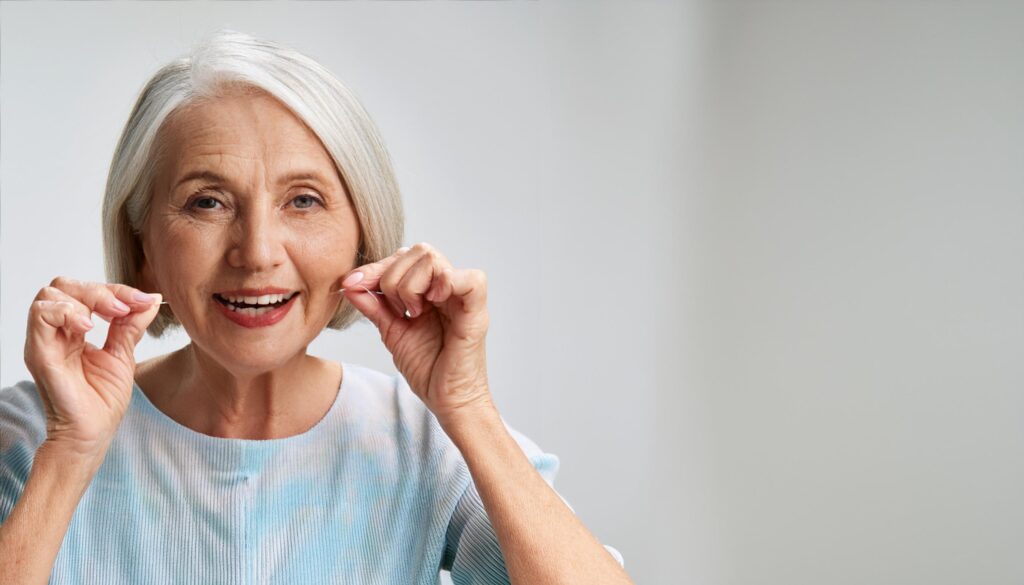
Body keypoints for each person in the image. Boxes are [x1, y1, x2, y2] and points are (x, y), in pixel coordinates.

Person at [0, 30, 630, 584]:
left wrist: (467, 410)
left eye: (303, 201)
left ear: (361, 237)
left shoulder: (422, 444)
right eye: (207, 202)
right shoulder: (35, 434)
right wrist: (69, 454)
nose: (258, 253)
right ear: (143, 248)